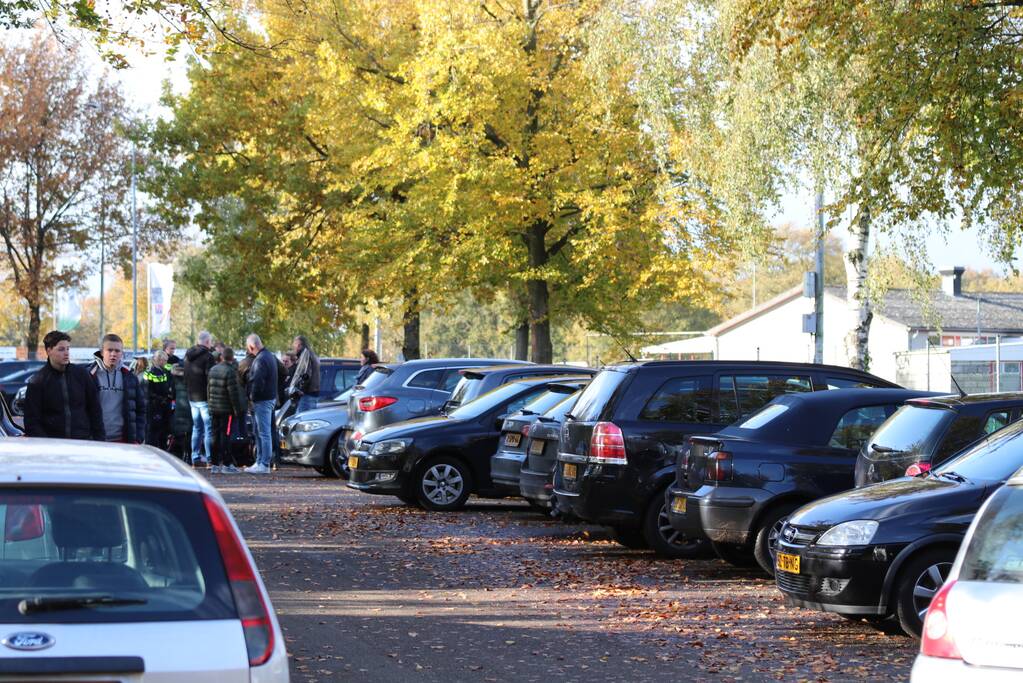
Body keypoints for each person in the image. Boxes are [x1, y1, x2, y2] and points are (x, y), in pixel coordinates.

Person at [23, 330, 105, 441]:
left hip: (83, 442)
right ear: (49, 351)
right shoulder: (38, 381)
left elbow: (95, 410)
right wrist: (46, 444)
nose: (66, 353)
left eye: (68, 349)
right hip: (53, 444)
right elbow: (31, 421)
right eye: (61, 349)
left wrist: (99, 439)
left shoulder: (82, 375)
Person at [90, 334, 146, 444]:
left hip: (123, 441)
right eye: (109, 350)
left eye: (117, 351)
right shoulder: (89, 375)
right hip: (95, 441)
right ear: (102, 352)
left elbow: (141, 410)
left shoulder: (130, 377)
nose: (113, 354)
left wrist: (138, 438)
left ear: (122, 353)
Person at [208, 347, 246, 474]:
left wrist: (210, 405)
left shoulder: (213, 369)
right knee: (226, 435)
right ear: (232, 357)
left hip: (214, 408)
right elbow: (233, 393)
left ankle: (214, 464)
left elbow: (208, 390)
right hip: (226, 410)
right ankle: (226, 463)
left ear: (222, 357)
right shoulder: (230, 371)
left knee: (214, 435)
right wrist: (237, 410)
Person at [244, 334, 277, 474]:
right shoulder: (269, 356)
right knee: (260, 432)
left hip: (262, 400)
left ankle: (264, 464)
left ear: (252, 346)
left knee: (263, 433)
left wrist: (252, 397)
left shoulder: (260, 359)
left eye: (248, 348)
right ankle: (260, 462)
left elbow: (257, 381)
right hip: (268, 398)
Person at [184, 331, 216, 467]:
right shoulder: (208, 357)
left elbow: (185, 375)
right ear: (207, 342)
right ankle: (210, 459)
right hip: (204, 397)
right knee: (208, 429)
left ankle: (195, 457)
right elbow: (210, 378)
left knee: (197, 428)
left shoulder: (188, 355)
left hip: (192, 397)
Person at [142, 350, 174, 451]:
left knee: (162, 431)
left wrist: (168, 395)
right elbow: (147, 391)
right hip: (153, 406)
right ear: (159, 360)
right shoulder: (150, 372)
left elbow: (165, 387)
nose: (166, 362)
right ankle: (151, 451)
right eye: (165, 360)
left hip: (162, 406)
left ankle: (162, 450)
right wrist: (161, 399)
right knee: (152, 431)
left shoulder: (162, 371)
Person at [288, 335, 321, 414]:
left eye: (294, 345)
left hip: (306, 395)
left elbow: (305, 375)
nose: (293, 348)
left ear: (299, 345)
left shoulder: (305, 355)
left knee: (302, 419)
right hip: (311, 394)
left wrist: (299, 389)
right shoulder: (311, 354)